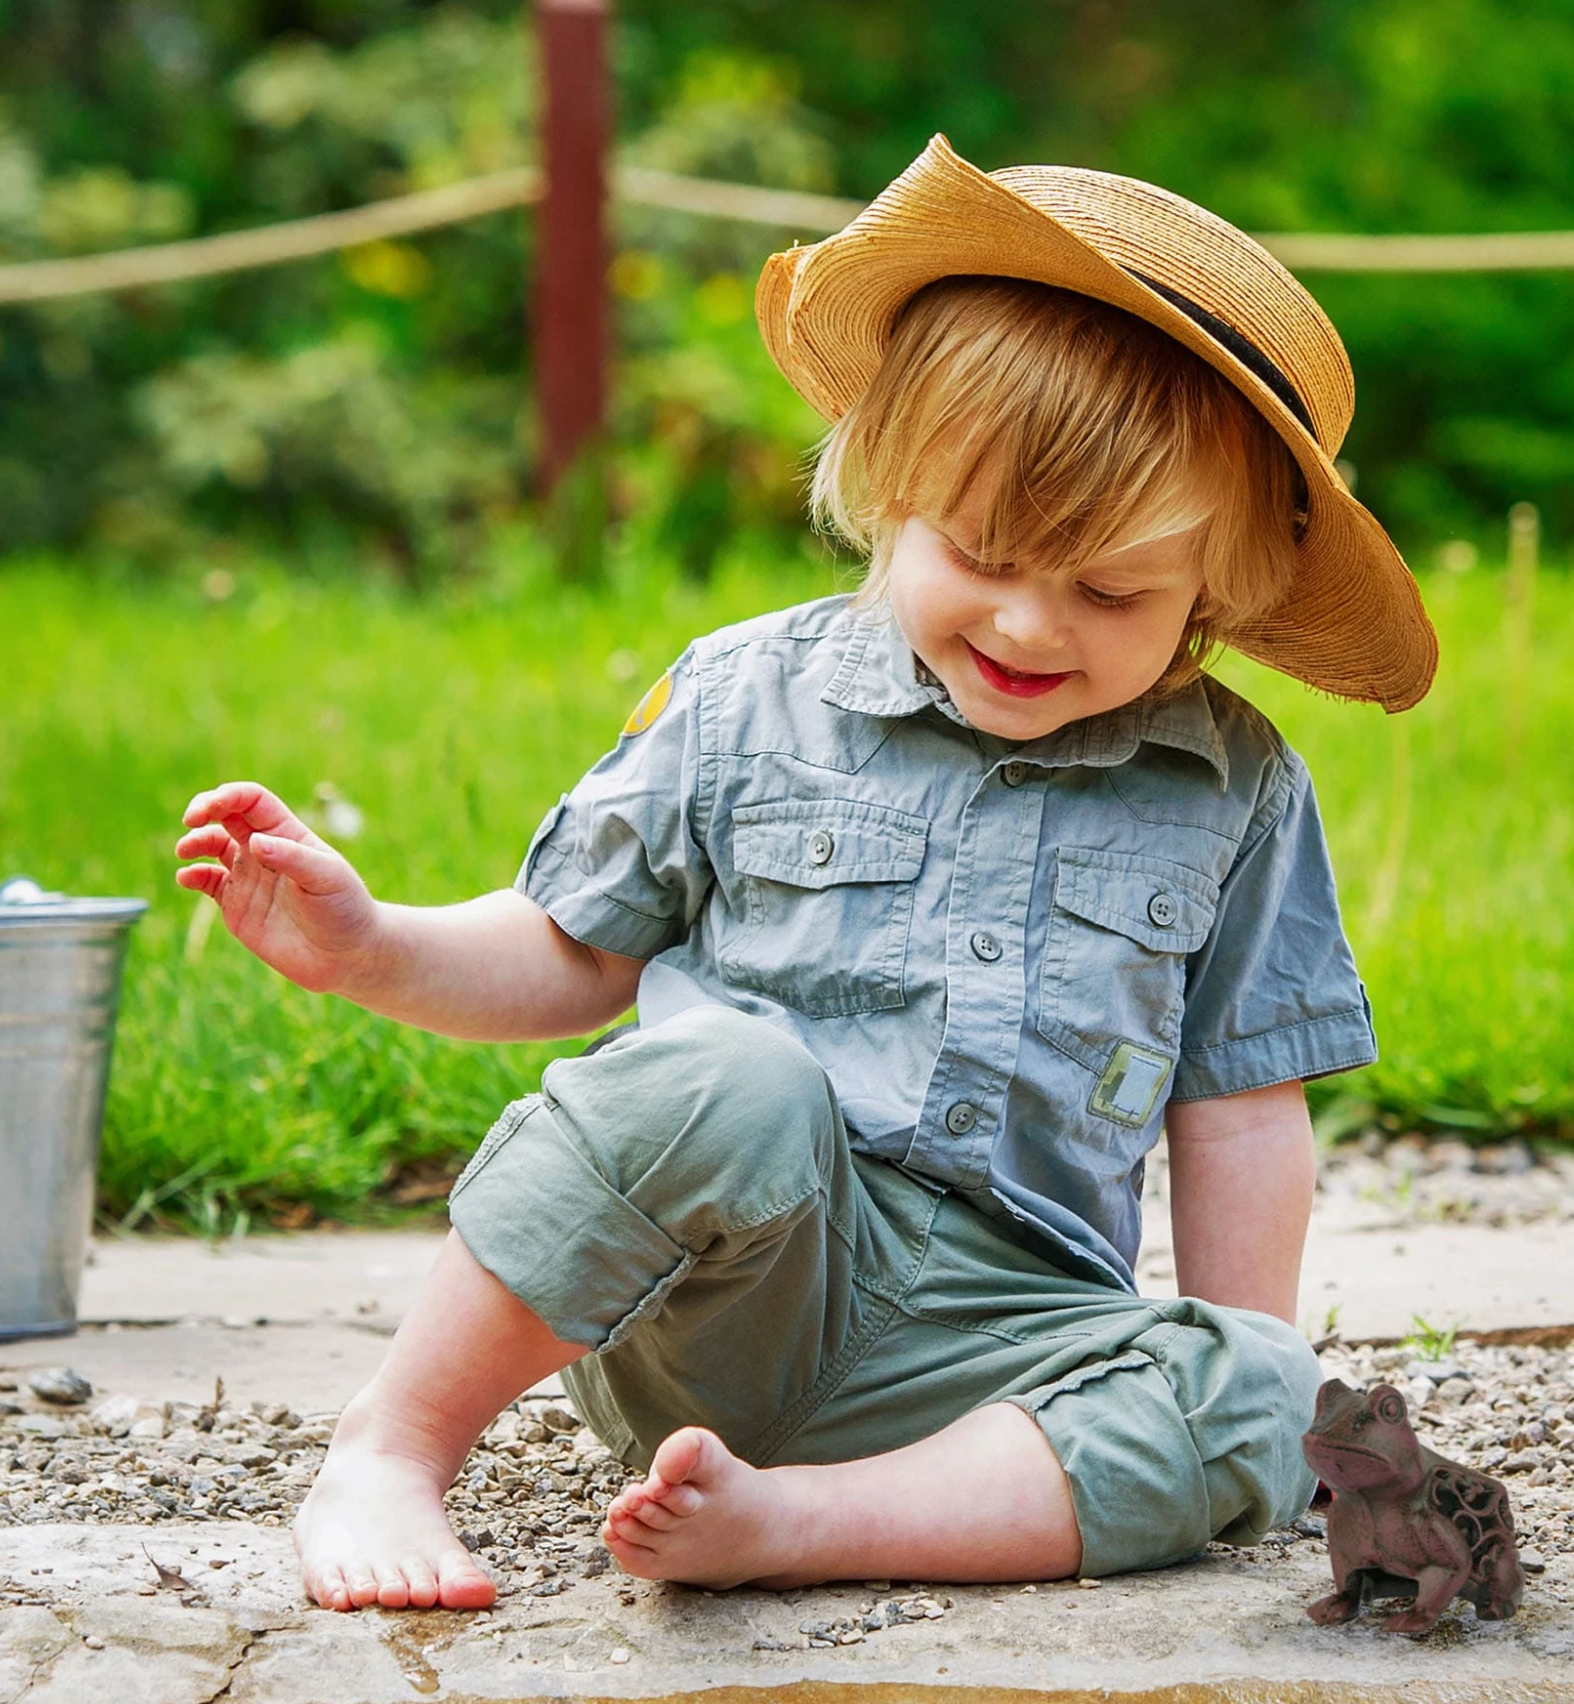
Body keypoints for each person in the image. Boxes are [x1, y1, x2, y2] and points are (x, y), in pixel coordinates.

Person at [174, 136, 1437, 1613]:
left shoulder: (1233, 789)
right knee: (730, 1078)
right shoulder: (744, 700)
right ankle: (392, 1447)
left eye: (1108, 592)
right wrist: (371, 946)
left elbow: (1240, 1113)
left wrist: (1235, 1372)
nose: (1030, 626)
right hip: (724, 1297)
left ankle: (793, 1523)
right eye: (981, 551)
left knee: (1260, 1387)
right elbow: (576, 952)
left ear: (1215, 590)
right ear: (888, 487)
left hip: (1005, 1344)